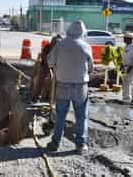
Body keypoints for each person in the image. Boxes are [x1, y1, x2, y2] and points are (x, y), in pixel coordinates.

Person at [46, 21, 93, 154]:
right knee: (81, 116)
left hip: (62, 86)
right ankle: (81, 145)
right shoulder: (86, 46)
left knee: (60, 116)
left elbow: (50, 62)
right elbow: (90, 68)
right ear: (82, 32)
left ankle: (55, 143)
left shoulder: (60, 44)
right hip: (80, 87)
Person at [30, 35, 62, 102]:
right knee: (40, 79)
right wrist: (49, 68)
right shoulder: (47, 48)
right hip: (45, 65)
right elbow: (45, 59)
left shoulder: (61, 49)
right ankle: (35, 96)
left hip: (56, 66)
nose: (55, 43)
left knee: (57, 80)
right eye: (54, 42)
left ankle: (53, 97)